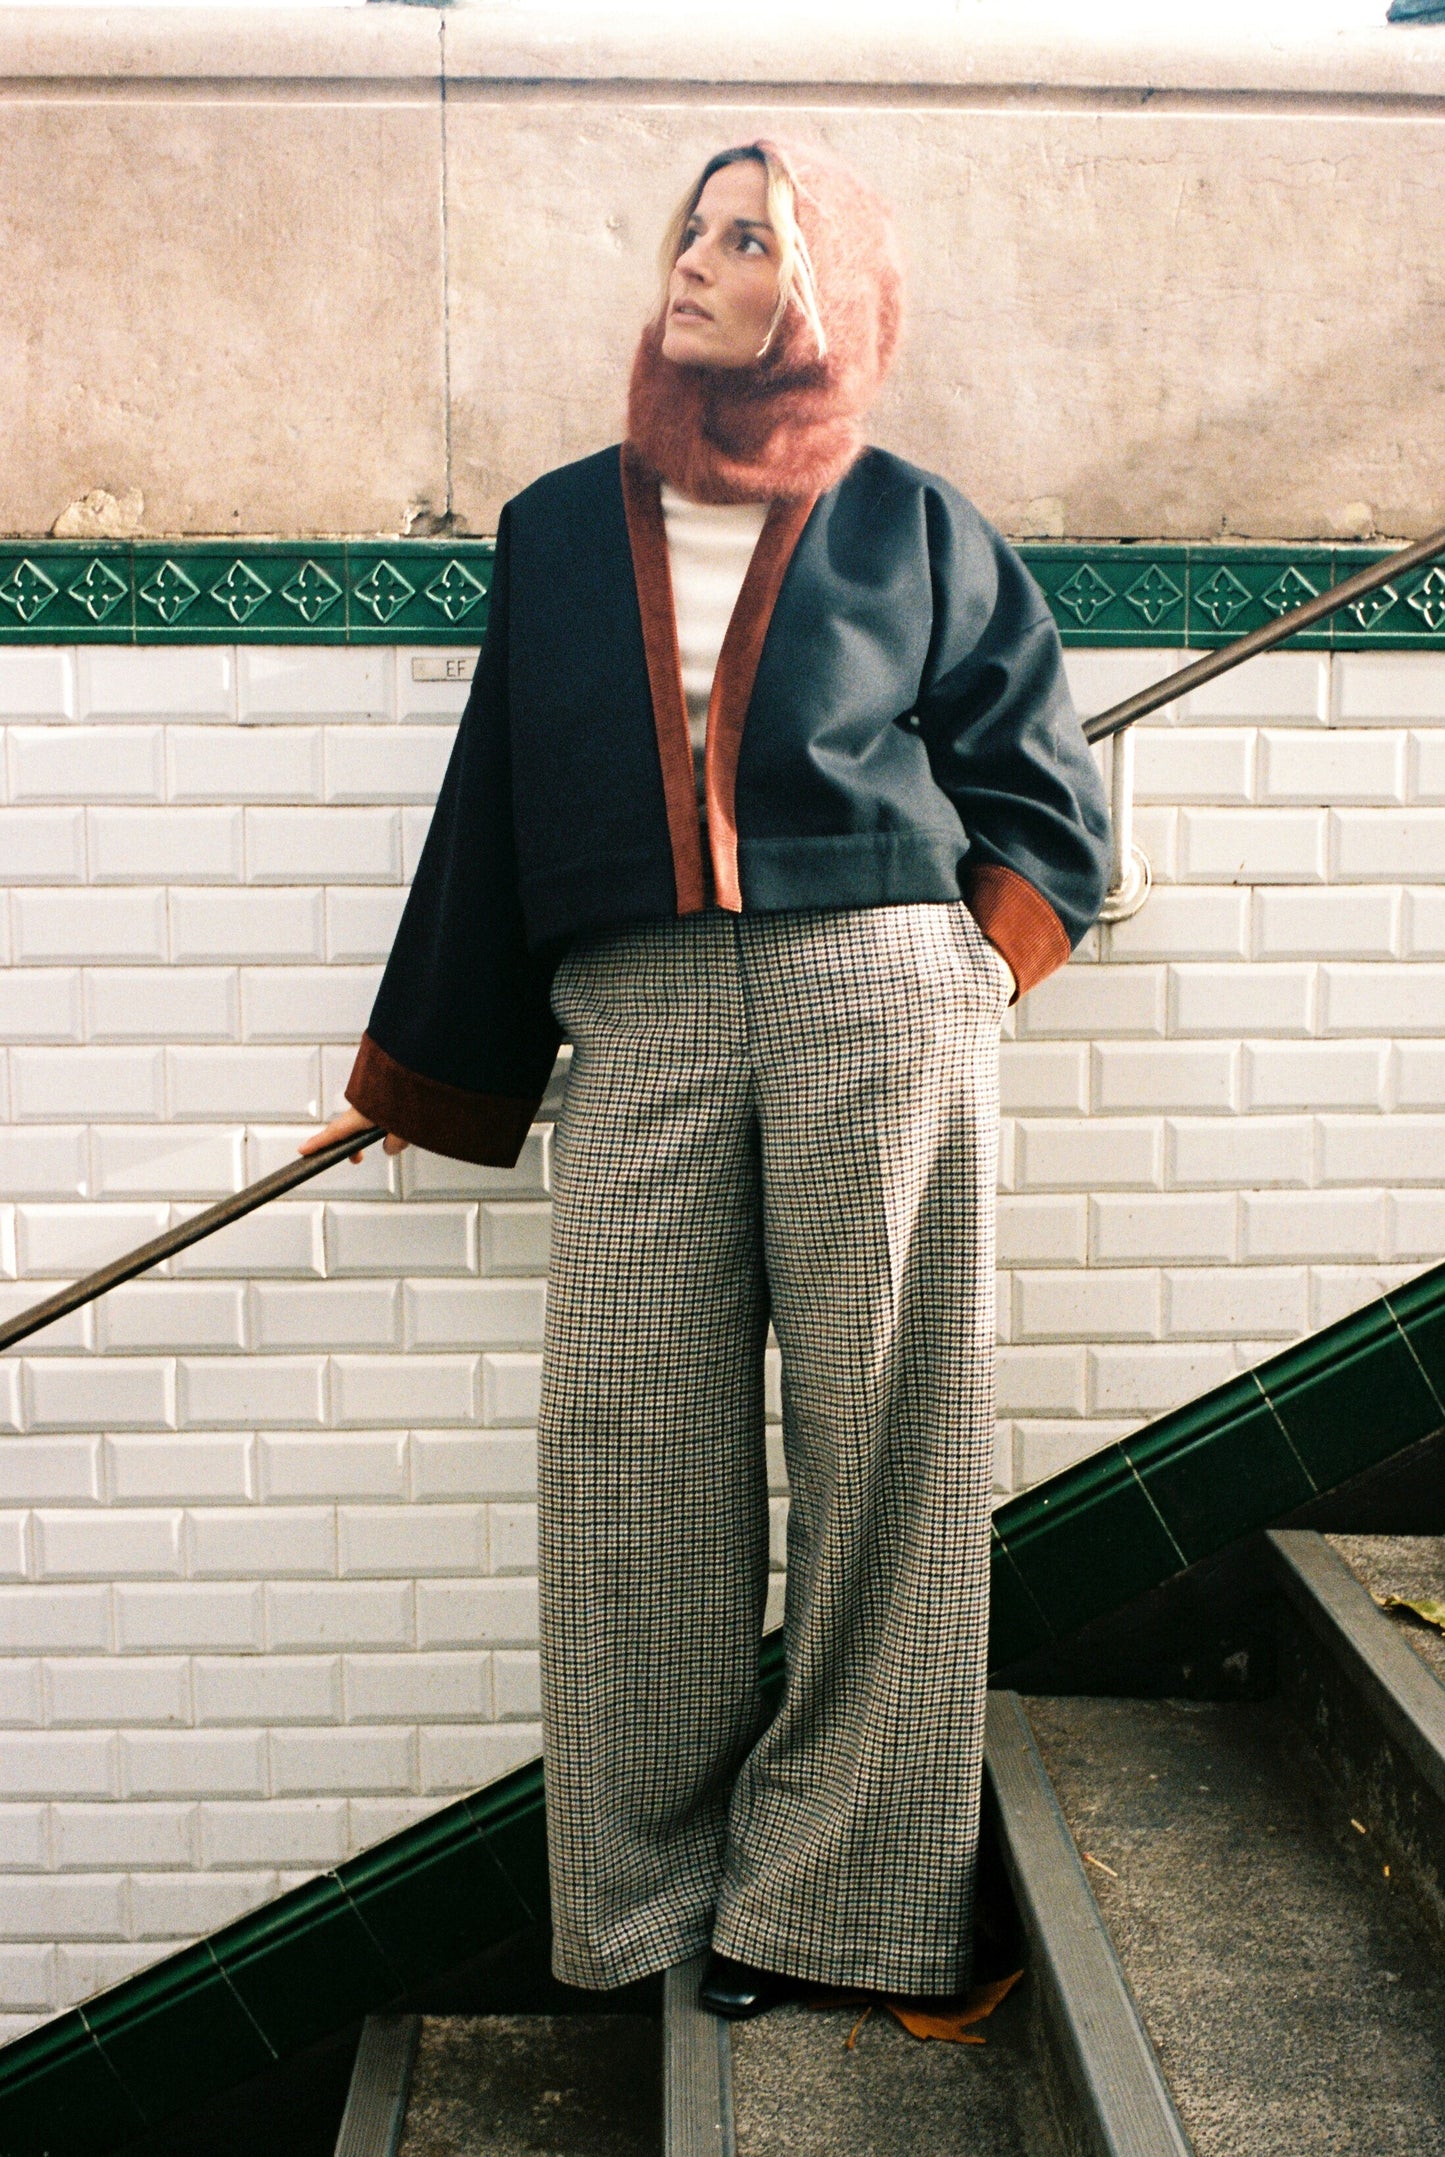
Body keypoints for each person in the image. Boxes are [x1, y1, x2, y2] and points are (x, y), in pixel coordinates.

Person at [305, 139, 1110, 2020]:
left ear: (822, 288)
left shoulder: (911, 520)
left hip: (875, 990)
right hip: (641, 1020)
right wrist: (425, 1067)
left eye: (748, 235)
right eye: (689, 226)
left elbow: (1038, 767)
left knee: (887, 1438)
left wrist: (980, 956)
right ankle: (650, 1903)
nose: (697, 260)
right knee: (627, 1454)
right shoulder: (555, 525)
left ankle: (843, 1909)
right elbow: (492, 810)